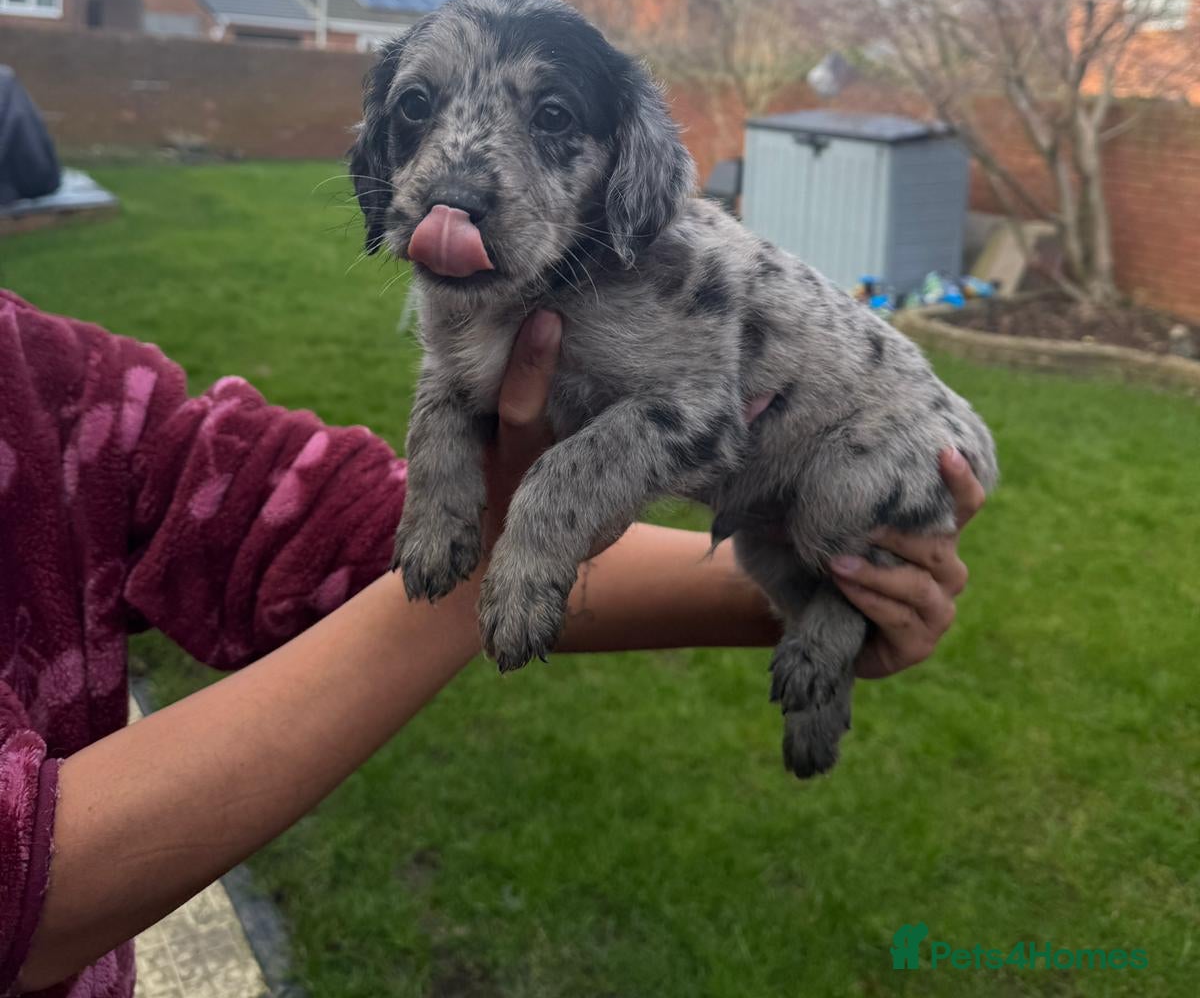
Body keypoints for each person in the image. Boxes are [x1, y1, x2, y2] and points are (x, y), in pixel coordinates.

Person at [0, 290, 982, 996]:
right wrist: (502, 554)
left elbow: (313, 520)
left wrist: (793, 591)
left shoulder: (42, 381)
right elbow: (27, 891)